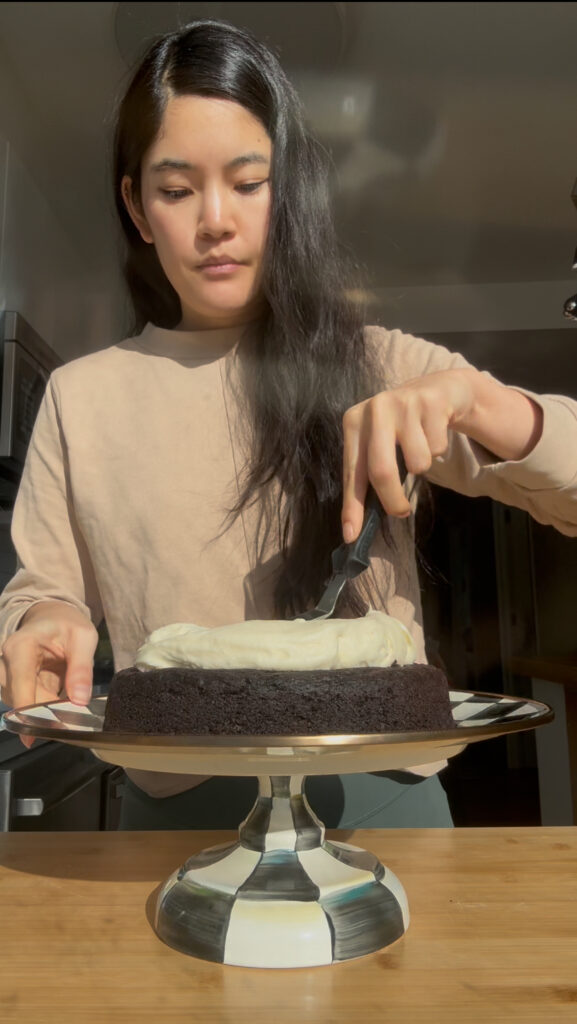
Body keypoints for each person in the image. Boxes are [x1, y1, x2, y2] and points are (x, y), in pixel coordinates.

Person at [0, 19, 576, 831]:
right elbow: (43, 586)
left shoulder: (375, 363)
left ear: (289, 188)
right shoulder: (81, 396)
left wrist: (474, 401)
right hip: (175, 804)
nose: (214, 220)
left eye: (248, 181)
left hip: (383, 794)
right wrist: (42, 619)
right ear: (137, 207)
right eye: (176, 190)